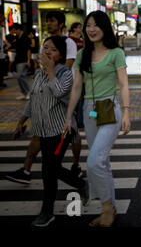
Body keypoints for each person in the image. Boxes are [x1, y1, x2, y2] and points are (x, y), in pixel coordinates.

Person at [63, 10, 131, 227]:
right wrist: (68, 117)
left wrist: (127, 111)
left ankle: (105, 207)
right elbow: (76, 87)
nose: (91, 29)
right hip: (90, 111)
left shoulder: (115, 53)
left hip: (109, 108)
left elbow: (123, 84)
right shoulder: (82, 55)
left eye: (95, 25)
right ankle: (109, 208)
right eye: (88, 25)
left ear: (104, 27)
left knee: (93, 162)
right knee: (102, 162)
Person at [13, 36, 87, 227]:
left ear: (61, 55)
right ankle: (79, 184)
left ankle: (47, 212)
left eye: (52, 50)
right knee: (50, 170)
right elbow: (33, 99)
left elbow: (60, 92)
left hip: (61, 131)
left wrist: (50, 70)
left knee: (49, 171)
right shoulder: (39, 74)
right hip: (43, 131)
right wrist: (21, 121)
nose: (47, 52)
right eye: (45, 48)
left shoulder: (65, 74)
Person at [5, 12, 83, 185]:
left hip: (64, 93)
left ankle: (76, 167)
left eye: (52, 21)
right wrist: (23, 118)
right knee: (40, 135)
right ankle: (26, 170)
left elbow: (66, 66)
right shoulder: (46, 42)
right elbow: (35, 92)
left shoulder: (68, 42)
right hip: (47, 89)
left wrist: (50, 72)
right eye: (47, 21)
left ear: (61, 23)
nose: (48, 23)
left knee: (73, 133)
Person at [11, 23, 31, 100]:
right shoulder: (17, 37)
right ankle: (24, 93)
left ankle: (28, 92)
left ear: (19, 29)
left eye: (15, 30)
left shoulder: (25, 37)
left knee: (22, 76)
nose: (14, 32)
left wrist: (28, 60)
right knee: (19, 77)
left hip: (24, 60)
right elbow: (17, 49)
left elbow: (28, 50)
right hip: (18, 60)